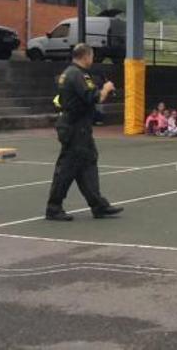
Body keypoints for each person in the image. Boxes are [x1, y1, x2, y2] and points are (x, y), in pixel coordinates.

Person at [45, 44, 122, 221]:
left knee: (87, 164)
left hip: (76, 126)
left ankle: (98, 205)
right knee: (67, 168)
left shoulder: (69, 73)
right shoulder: (78, 74)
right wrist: (107, 88)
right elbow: (93, 97)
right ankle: (54, 207)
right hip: (75, 127)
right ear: (86, 56)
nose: (92, 60)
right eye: (92, 56)